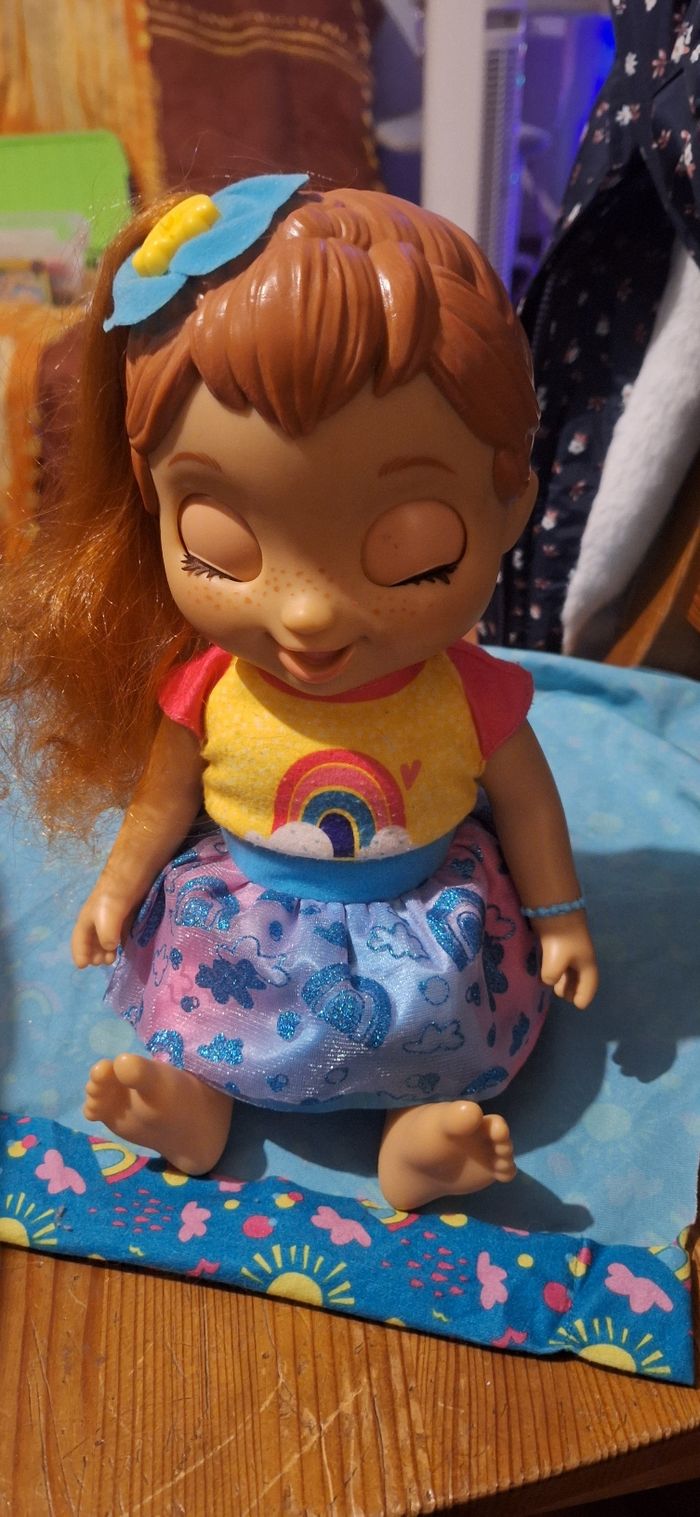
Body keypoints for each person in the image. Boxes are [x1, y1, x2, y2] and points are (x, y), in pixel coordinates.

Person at [0, 176, 598, 1209]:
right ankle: (194, 1105)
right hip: (245, 916)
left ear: (509, 507)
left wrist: (560, 915)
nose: (309, 614)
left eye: (409, 546)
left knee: (436, 1029)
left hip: (419, 920)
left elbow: (530, 803)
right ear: (154, 504)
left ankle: (418, 1137)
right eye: (221, 542)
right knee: (204, 1009)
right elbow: (161, 803)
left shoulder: (471, 693)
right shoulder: (208, 686)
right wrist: (114, 891)